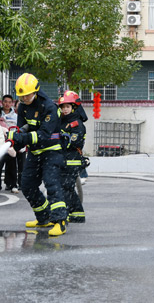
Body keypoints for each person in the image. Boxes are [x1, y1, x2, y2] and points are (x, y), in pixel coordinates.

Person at [7, 73, 68, 236]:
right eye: (21, 96)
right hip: (35, 152)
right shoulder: (23, 107)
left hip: (52, 151)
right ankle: (44, 217)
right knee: (27, 185)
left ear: (35, 91)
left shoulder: (49, 107)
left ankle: (60, 221)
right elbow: (21, 129)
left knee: (52, 183)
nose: (24, 98)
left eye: (26, 95)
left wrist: (22, 137)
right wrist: (14, 139)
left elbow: (43, 134)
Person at [58, 91, 86, 223]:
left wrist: (63, 139)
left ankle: (72, 212)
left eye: (67, 107)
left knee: (67, 186)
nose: (65, 109)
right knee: (66, 186)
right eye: (63, 107)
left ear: (73, 107)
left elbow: (75, 142)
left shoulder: (76, 123)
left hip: (73, 159)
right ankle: (76, 213)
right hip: (64, 159)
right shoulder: (62, 121)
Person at [0, 98, 19, 194]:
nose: (7, 104)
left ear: (12, 103)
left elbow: (18, 129)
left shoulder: (15, 116)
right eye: (5, 102)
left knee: (13, 166)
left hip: (11, 145)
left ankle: (13, 185)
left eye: (9, 102)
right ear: (2, 102)